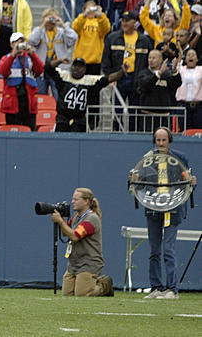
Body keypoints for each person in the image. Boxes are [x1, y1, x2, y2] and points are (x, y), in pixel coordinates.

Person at [133, 127, 197, 299]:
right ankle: (156, 287)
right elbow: (139, 184)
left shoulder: (180, 158)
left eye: (164, 140)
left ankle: (172, 289)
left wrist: (193, 182)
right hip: (153, 208)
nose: (160, 143)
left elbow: (187, 183)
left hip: (173, 208)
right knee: (154, 250)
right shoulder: (147, 159)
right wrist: (134, 181)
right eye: (158, 140)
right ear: (154, 141)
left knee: (168, 248)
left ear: (170, 140)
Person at [50, 188, 113, 296]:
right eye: (72, 199)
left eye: (76, 199)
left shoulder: (91, 218)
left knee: (82, 295)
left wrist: (60, 221)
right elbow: (66, 233)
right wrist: (63, 219)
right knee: (67, 295)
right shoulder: (76, 217)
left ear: (86, 201)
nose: (72, 202)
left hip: (89, 262)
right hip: (74, 262)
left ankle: (104, 286)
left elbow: (75, 236)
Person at [47, 58, 125, 132]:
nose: (77, 68)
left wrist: (121, 72)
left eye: (80, 66)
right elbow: (48, 67)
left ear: (85, 69)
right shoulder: (64, 76)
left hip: (79, 120)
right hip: (63, 119)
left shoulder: (90, 80)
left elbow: (109, 78)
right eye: (75, 66)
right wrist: (59, 61)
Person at [0, 32, 45, 131]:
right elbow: (3, 71)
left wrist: (32, 54)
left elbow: (40, 70)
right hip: (13, 102)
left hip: (29, 102)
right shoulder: (6, 58)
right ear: (11, 45)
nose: (20, 45)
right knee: (13, 130)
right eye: (16, 42)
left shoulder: (31, 58)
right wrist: (13, 55)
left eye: (22, 42)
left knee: (30, 131)